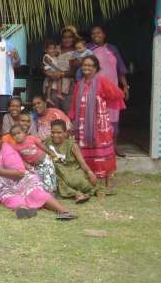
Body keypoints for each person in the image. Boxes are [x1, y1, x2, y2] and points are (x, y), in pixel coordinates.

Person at [0, 125, 76, 220]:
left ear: (1, 139)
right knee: (9, 198)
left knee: (35, 192)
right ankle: (25, 208)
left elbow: (20, 173)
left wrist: (0, 171)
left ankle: (64, 211)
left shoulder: (7, 150)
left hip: (17, 179)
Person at [70, 55, 125, 194]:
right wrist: (72, 119)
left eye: (90, 65)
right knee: (86, 151)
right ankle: (91, 178)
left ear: (96, 68)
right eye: (84, 65)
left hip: (99, 125)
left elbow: (118, 94)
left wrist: (103, 106)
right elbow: (74, 103)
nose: (86, 68)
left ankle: (108, 178)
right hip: (82, 124)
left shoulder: (102, 82)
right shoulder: (79, 83)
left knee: (102, 151)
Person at [87, 25, 129, 157]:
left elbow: (121, 69)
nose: (95, 35)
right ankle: (97, 148)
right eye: (93, 34)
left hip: (113, 90)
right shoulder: (88, 49)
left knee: (113, 117)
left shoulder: (112, 49)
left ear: (104, 34)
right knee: (95, 117)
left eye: (98, 33)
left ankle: (114, 146)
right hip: (95, 89)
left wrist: (125, 87)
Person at [44, 120, 102, 203]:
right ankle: (77, 194)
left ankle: (94, 190)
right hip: (56, 171)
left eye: (59, 133)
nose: (55, 135)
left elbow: (82, 162)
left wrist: (90, 172)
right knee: (58, 181)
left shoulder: (72, 145)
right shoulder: (47, 142)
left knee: (79, 182)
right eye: (53, 132)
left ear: (65, 133)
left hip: (72, 171)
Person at [7, 125, 58, 193]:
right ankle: (48, 192)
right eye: (14, 135)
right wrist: (27, 166)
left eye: (19, 133)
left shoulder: (31, 138)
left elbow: (41, 146)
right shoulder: (15, 147)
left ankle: (53, 190)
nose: (17, 136)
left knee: (50, 174)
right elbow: (20, 159)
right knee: (42, 178)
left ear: (24, 132)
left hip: (45, 160)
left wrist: (50, 152)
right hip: (35, 166)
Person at [43, 26, 79, 114]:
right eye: (64, 37)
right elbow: (45, 62)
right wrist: (46, 72)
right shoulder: (55, 49)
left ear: (74, 38)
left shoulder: (78, 51)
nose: (67, 39)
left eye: (70, 37)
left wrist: (62, 74)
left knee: (68, 114)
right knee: (53, 113)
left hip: (69, 86)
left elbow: (77, 70)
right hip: (52, 84)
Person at [42, 40, 63, 106]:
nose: (53, 50)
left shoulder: (53, 57)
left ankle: (51, 97)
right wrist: (58, 69)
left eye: (54, 48)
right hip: (50, 71)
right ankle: (57, 94)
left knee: (50, 84)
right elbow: (51, 64)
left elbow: (58, 53)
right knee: (58, 79)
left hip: (52, 71)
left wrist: (58, 50)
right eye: (50, 49)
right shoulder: (46, 56)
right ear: (46, 50)